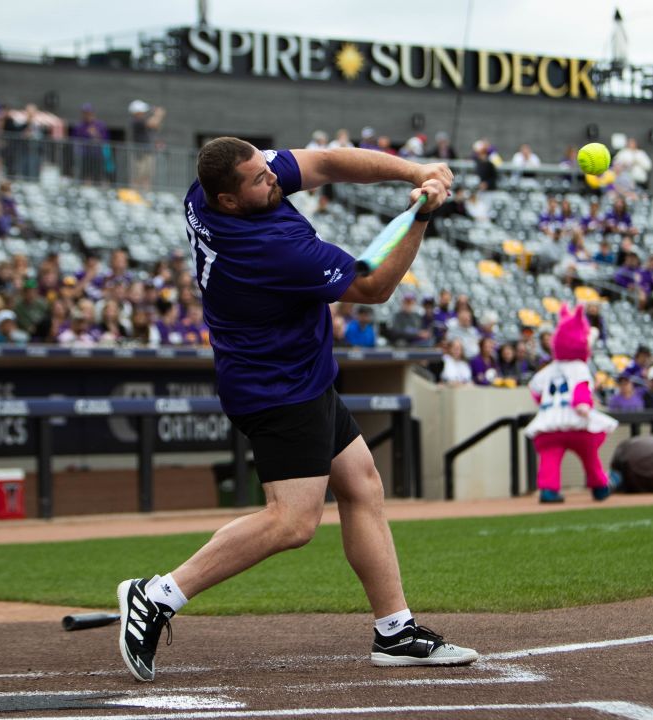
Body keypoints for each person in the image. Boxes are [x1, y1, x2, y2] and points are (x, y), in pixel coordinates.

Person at [113, 137, 475, 684]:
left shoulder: (212, 187)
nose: (273, 179)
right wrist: (421, 216)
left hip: (298, 373)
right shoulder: (267, 245)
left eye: (266, 167)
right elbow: (373, 286)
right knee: (293, 521)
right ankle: (156, 595)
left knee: (361, 485)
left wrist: (414, 170)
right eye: (260, 180)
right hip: (277, 388)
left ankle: (395, 630)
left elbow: (326, 161)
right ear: (230, 201)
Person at [524, 304, 619, 503]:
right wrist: (583, 405)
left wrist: (546, 403)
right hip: (576, 422)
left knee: (550, 457)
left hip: (549, 423)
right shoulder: (579, 367)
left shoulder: (549, 369)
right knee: (590, 456)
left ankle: (549, 490)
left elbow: (535, 390)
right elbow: (581, 391)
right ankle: (600, 487)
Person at [129, 100, 166, 192]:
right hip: (139, 154)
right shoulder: (136, 121)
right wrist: (159, 114)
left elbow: (156, 126)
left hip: (148, 152)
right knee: (138, 175)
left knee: (147, 175)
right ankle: (135, 194)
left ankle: (146, 194)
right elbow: (153, 123)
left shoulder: (142, 121)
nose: (144, 113)